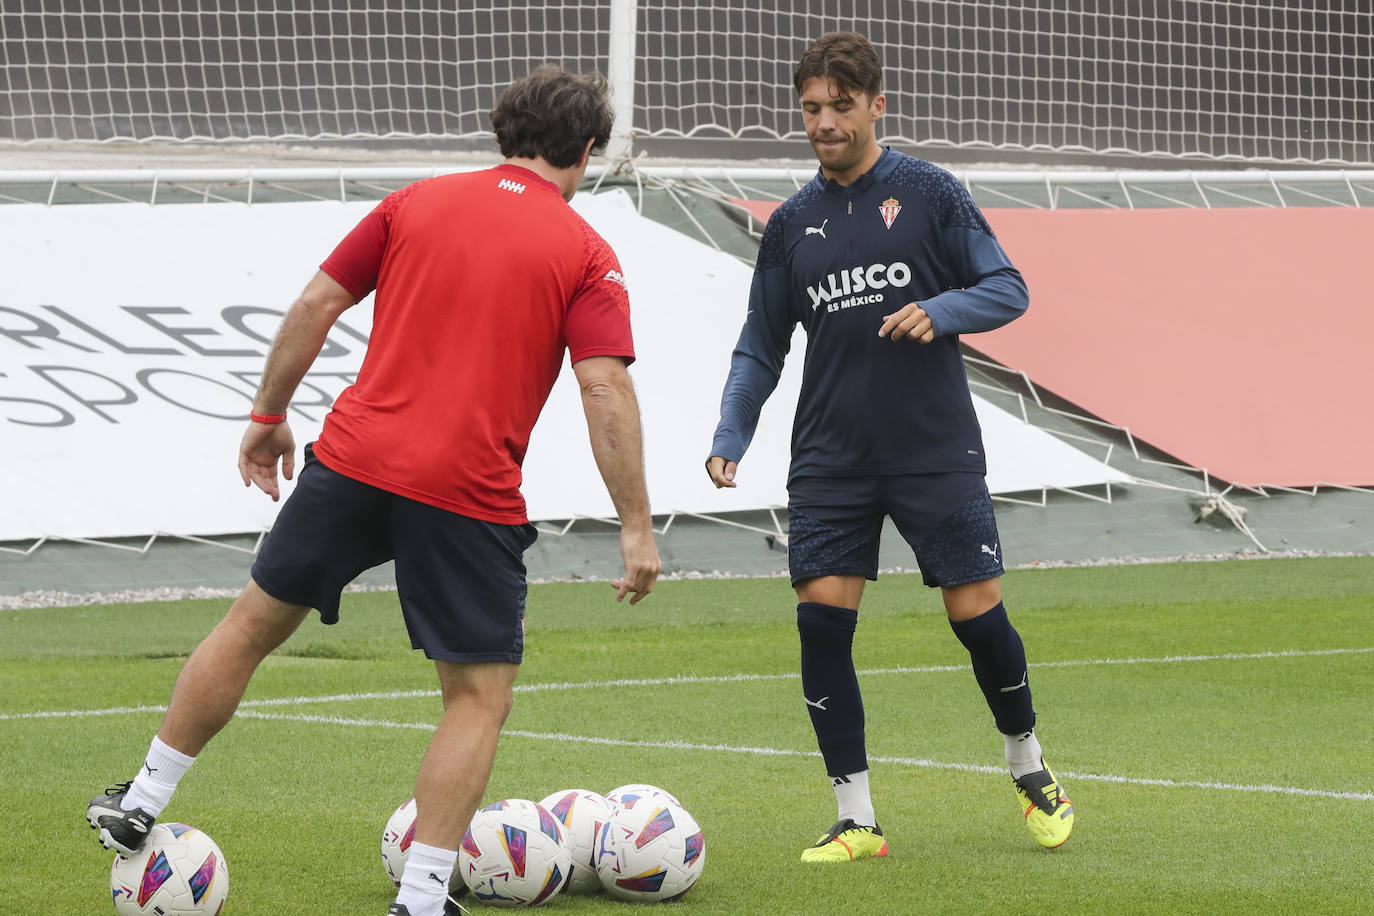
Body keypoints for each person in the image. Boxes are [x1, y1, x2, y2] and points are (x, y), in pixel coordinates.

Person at [86, 65, 662, 916]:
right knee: (477, 698)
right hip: (465, 491)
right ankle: (424, 897)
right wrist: (637, 526)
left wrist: (268, 412)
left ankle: (142, 798)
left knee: (248, 626)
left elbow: (319, 301)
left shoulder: (413, 203)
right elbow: (604, 387)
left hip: (353, 461)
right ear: (584, 152)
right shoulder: (583, 250)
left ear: (505, 132)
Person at [706, 32, 1073, 861]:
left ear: (878, 104)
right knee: (820, 627)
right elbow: (761, 344)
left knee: (975, 617)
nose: (824, 122)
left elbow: (1006, 287)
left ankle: (1028, 762)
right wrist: (733, 431)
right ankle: (857, 817)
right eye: (811, 108)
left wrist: (939, 311)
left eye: (840, 106)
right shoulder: (793, 224)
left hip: (934, 449)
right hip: (831, 458)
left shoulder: (930, 192)